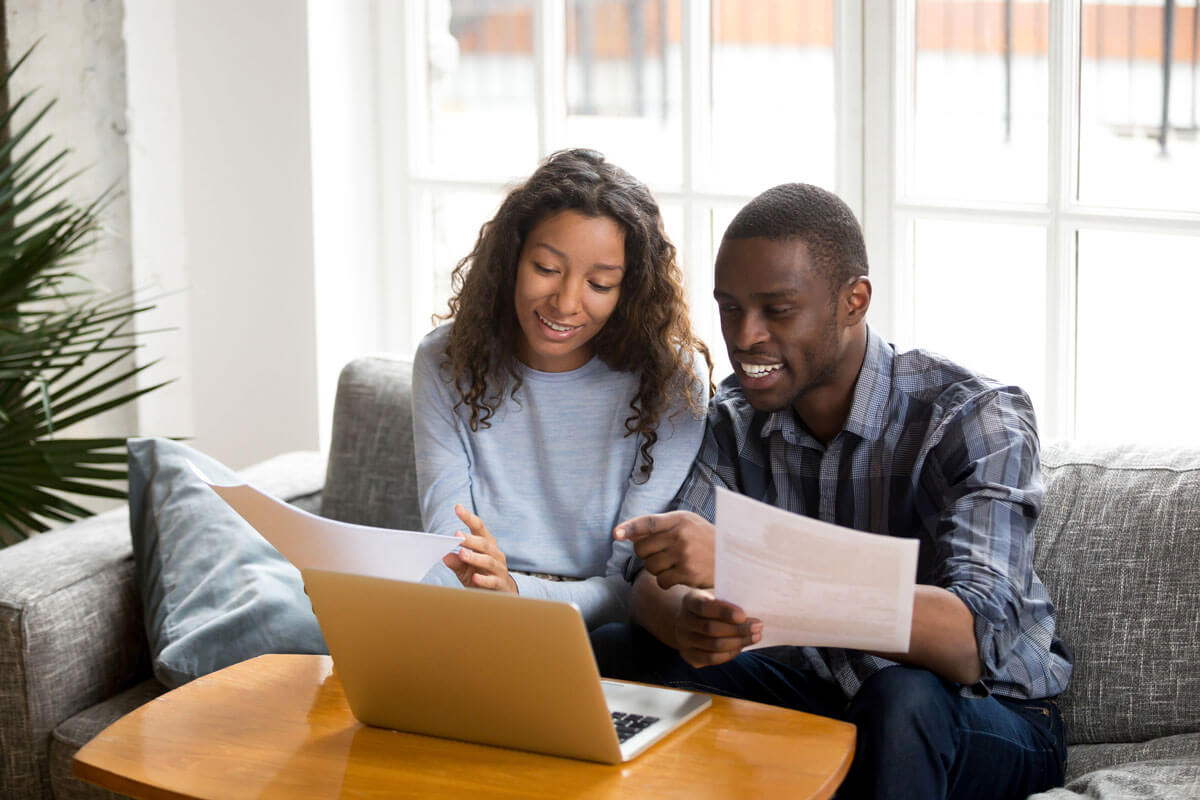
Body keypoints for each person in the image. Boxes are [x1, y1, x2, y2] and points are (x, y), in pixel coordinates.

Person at [592, 183, 1072, 799]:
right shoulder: (736, 418)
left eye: (778, 309)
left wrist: (748, 561)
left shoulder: (974, 417)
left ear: (854, 300)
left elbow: (970, 641)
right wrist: (685, 614)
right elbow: (649, 578)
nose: (745, 336)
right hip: (829, 699)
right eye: (730, 308)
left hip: (985, 715)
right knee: (623, 650)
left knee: (901, 698)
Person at [412, 148, 711, 630]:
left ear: (629, 290)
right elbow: (449, 550)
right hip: (470, 612)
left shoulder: (672, 380)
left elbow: (627, 588)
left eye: (599, 283)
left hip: (594, 627)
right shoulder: (445, 359)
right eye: (547, 270)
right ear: (511, 260)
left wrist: (514, 591)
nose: (567, 302)